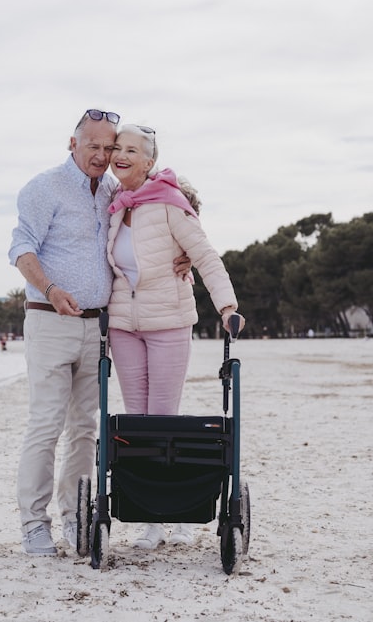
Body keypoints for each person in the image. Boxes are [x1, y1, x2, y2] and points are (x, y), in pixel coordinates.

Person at [8, 109, 190, 556]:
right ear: (72, 144)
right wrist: (50, 290)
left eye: (108, 147)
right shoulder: (43, 187)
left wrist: (183, 248)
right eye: (92, 145)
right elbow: (20, 246)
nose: (101, 154)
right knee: (45, 425)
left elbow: (172, 200)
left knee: (85, 430)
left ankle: (74, 517)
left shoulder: (113, 190)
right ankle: (34, 524)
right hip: (50, 321)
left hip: (99, 327)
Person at [105, 123, 243, 550]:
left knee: (163, 419)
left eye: (131, 150)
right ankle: (151, 517)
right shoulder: (114, 204)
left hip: (168, 322)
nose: (120, 155)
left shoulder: (168, 202)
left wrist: (227, 306)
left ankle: (172, 515)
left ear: (150, 161)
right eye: (117, 148)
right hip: (124, 325)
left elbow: (203, 254)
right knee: (136, 423)